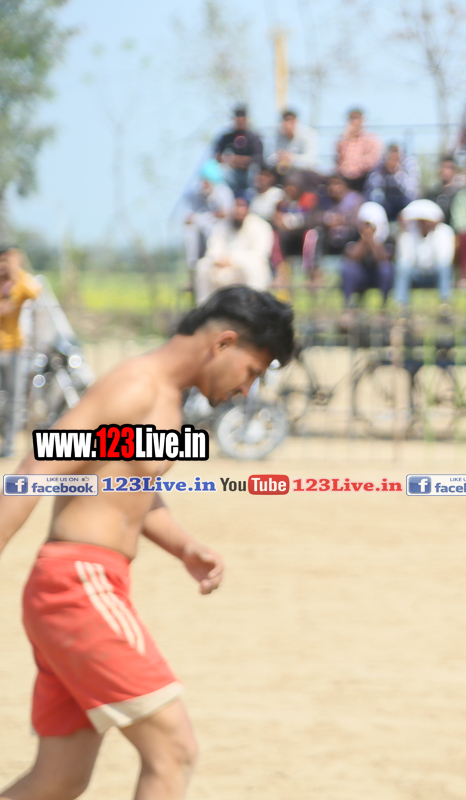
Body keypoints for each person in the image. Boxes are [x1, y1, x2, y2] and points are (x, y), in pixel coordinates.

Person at [0, 286, 293, 800]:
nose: (247, 390)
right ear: (224, 343)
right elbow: (36, 471)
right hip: (78, 586)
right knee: (174, 752)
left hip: (84, 585)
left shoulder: (167, 402)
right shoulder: (135, 386)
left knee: (59, 779)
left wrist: (183, 546)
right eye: (252, 371)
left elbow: (128, 485)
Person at [194, 196, 275, 303]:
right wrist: (219, 260)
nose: (238, 210)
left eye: (241, 206)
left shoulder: (261, 226)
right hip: (224, 271)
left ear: (248, 208)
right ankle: (204, 307)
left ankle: (254, 306)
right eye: (235, 206)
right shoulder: (222, 226)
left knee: (255, 267)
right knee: (202, 265)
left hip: (245, 269)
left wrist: (233, 259)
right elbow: (213, 250)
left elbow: (261, 255)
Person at [0, 247, 41, 457]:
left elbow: (35, 292)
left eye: (7, 261)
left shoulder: (18, 284)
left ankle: (9, 445)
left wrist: (17, 272)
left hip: (14, 349)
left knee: (14, 399)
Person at [396, 199, 455, 310]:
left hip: (434, 273)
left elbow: (445, 259)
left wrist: (433, 235)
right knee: (402, 266)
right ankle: (401, 305)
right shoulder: (408, 232)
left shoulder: (445, 232)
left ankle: (445, 303)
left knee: (444, 267)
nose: (424, 223)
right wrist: (404, 232)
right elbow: (406, 259)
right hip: (416, 273)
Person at [182, 160, 235, 277]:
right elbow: (188, 218)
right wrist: (202, 218)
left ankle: (212, 260)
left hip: (222, 228)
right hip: (203, 228)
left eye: (207, 180)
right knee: (190, 231)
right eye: (203, 180)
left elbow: (225, 214)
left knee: (215, 231)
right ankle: (193, 267)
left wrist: (204, 217)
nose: (204, 184)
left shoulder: (224, 192)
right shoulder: (196, 194)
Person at [340, 201, 394, 310]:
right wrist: (364, 239)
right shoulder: (353, 235)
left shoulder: (389, 239)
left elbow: (382, 258)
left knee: (386, 269)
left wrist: (372, 240)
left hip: (377, 275)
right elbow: (353, 257)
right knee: (348, 268)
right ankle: (348, 305)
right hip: (360, 274)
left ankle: (384, 305)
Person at [212, 106, 263, 197]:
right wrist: (233, 161)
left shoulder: (253, 137)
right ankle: (228, 197)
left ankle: (251, 196)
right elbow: (216, 156)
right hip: (232, 173)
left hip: (248, 173)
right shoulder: (227, 138)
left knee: (254, 169)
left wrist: (235, 160)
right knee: (220, 169)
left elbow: (258, 158)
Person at [364, 143, 420, 221]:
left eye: (396, 152)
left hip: (404, 205)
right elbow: (372, 193)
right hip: (385, 206)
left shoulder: (409, 163)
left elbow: (411, 193)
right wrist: (384, 173)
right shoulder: (379, 166)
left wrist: (397, 173)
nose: (394, 156)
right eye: (392, 152)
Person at [335, 108, 382, 193]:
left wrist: (355, 170)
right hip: (345, 178)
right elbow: (339, 159)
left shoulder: (370, 139)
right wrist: (346, 138)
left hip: (364, 178)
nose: (354, 121)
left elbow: (372, 161)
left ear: (362, 120)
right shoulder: (343, 139)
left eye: (356, 118)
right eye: (352, 118)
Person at [267, 108, 319, 173]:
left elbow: (312, 161)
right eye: (285, 121)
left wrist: (292, 159)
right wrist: (279, 158)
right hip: (280, 171)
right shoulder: (277, 135)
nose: (287, 124)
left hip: (303, 173)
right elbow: (268, 158)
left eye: (290, 121)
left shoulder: (309, 133)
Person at [426, 156, 466, 224]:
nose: (445, 170)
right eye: (443, 167)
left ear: (455, 171)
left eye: (449, 168)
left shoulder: (459, 196)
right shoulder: (431, 194)